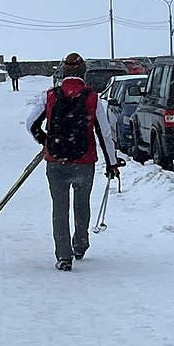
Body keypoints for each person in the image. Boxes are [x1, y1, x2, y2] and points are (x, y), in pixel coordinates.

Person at [27, 52, 120, 271]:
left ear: (63, 73)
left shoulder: (50, 95)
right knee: (82, 205)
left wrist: (46, 141)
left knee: (60, 208)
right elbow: (104, 133)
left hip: (56, 161)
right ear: (83, 73)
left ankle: (63, 256)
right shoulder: (92, 98)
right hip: (84, 162)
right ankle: (80, 244)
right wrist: (111, 163)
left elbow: (31, 124)